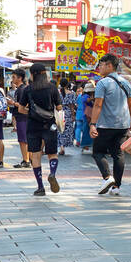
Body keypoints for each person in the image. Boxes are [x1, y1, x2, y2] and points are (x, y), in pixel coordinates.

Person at [89, 53, 131, 196]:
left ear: (109, 65)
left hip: (105, 125)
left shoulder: (103, 83)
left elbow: (98, 105)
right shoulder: (126, 82)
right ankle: (116, 187)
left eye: (101, 65)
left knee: (98, 152)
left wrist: (92, 124)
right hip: (123, 125)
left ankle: (107, 177)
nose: (99, 68)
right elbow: (130, 105)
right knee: (118, 154)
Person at [25, 65, 63, 196]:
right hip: (49, 125)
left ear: (33, 74)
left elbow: (21, 109)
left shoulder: (28, 89)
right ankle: (52, 173)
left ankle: (40, 187)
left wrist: (32, 111)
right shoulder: (52, 88)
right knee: (52, 153)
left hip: (33, 125)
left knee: (35, 155)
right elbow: (59, 107)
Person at [9, 67, 31, 167]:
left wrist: (13, 103)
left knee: (23, 140)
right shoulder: (21, 89)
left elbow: (25, 105)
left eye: (14, 77)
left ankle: (26, 160)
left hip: (23, 117)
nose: (12, 79)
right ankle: (26, 159)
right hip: (21, 117)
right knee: (23, 140)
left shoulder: (22, 90)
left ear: (20, 78)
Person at [60, 79, 78, 154]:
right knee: (67, 130)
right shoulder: (72, 93)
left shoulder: (58, 92)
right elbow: (72, 105)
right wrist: (73, 115)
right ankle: (64, 146)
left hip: (59, 112)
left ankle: (61, 147)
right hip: (67, 113)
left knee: (60, 130)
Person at [77, 81, 95, 153]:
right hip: (87, 115)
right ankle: (85, 145)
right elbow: (87, 100)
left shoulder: (83, 96)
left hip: (87, 115)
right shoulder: (85, 96)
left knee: (86, 130)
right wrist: (93, 98)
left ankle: (86, 145)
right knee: (86, 130)